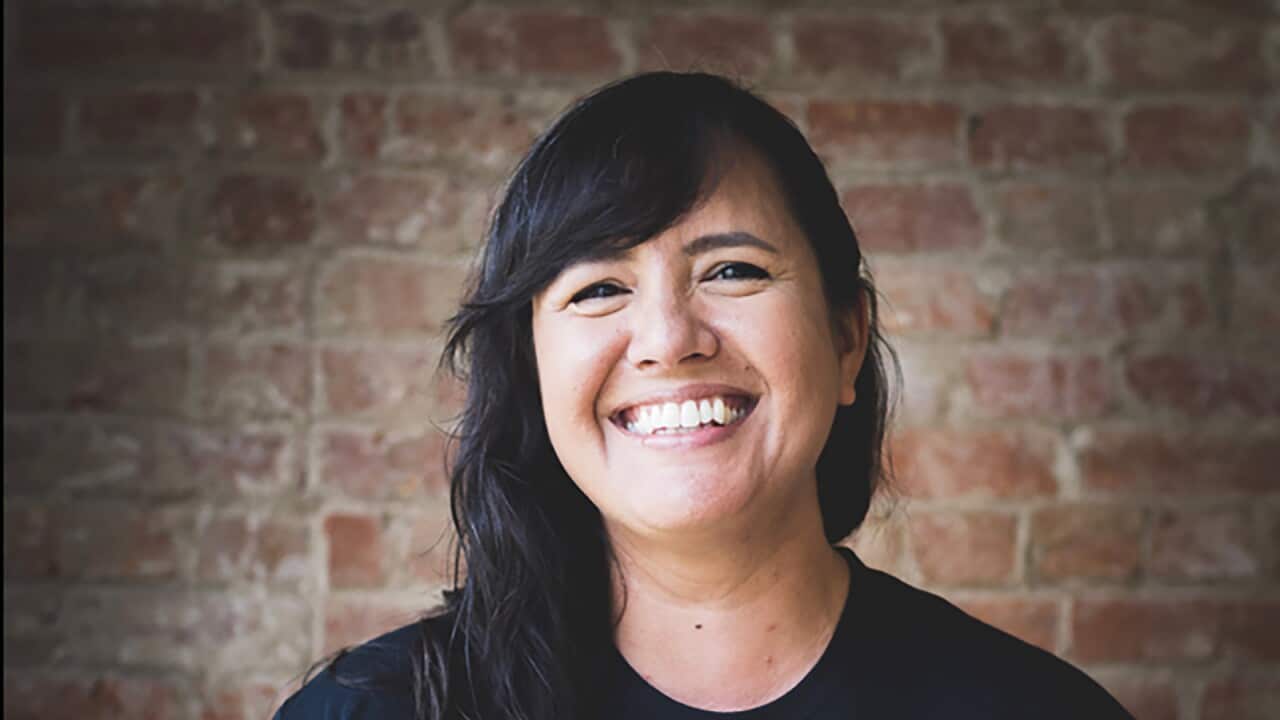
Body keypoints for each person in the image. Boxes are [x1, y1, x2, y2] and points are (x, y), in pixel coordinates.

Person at [275, 72, 1131, 720]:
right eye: (599, 289)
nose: (669, 337)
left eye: (733, 270)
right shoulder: (374, 712)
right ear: (531, 373)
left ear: (845, 338)